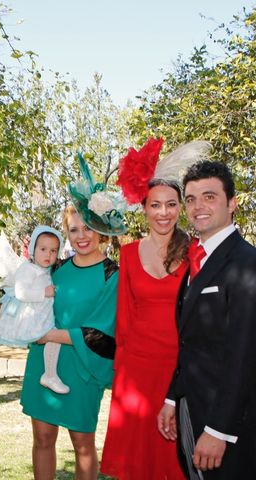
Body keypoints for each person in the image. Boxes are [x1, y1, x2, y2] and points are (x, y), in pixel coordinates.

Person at [101, 138, 211, 479]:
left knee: (174, 462)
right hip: (136, 372)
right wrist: (121, 375)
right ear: (144, 208)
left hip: (178, 371)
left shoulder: (196, 251)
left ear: (180, 208)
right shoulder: (130, 254)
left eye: (171, 205)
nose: (163, 213)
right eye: (155, 205)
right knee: (138, 463)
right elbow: (124, 320)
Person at [21, 154, 123, 480]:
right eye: (74, 229)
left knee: (82, 443)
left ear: (102, 230)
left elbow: (101, 333)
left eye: (89, 227)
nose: (82, 236)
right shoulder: (56, 269)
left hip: (82, 367)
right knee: (42, 439)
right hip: (43, 362)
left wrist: (48, 334)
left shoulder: (113, 275)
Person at [158, 160, 256, 479]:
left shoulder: (246, 263)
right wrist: (174, 398)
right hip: (192, 407)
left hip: (230, 427)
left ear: (232, 203)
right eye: (191, 198)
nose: (198, 206)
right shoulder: (197, 261)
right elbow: (190, 342)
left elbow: (245, 355)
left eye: (210, 196)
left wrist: (219, 431)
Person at [0, 225, 69, 394]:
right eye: (43, 249)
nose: (48, 254)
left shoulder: (46, 270)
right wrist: (45, 292)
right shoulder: (27, 269)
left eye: (53, 250)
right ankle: (49, 375)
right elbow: (21, 292)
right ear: (33, 249)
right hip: (31, 315)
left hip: (42, 313)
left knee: (54, 338)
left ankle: (50, 374)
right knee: (54, 336)